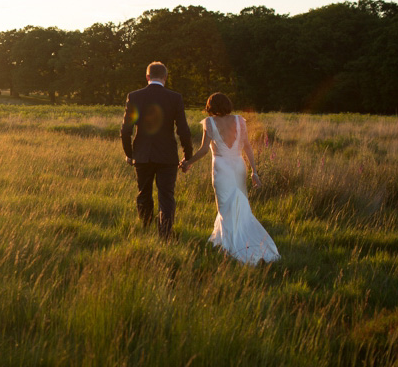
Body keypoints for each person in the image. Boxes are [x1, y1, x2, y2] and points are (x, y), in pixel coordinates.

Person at [181, 92, 280, 264]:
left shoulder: (209, 122)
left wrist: (188, 162)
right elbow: (247, 146)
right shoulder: (240, 121)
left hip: (221, 169)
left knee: (225, 206)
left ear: (210, 107)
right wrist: (254, 172)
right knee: (240, 204)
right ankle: (238, 238)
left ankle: (231, 244)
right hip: (239, 166)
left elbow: (204, 150)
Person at [120, 62, 193, 238]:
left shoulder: (135, 96)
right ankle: (165, 234)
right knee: (166, 196)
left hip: (142, 155)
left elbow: (125, 130)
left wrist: (130, 155)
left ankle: (145, 227)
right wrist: (188, 155)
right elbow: (183, 130)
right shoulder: (175, 98)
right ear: (165, 77)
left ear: (147, 77)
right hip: (167, 156)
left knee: (143, 193)